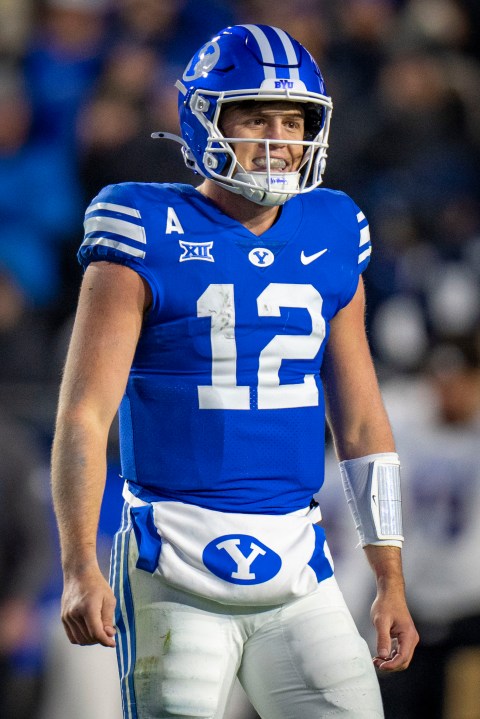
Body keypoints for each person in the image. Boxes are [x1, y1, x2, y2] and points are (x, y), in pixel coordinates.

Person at [51, 24, 418, 719]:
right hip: (172, 561)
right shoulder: (142, 226)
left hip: (298, 561)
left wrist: (388, 574)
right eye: (254, 116)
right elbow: (84, 414)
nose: (278, 137)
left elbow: (364, 419)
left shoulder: (332, 227)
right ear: (204, 120)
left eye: (293, 119)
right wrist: (79, 564)